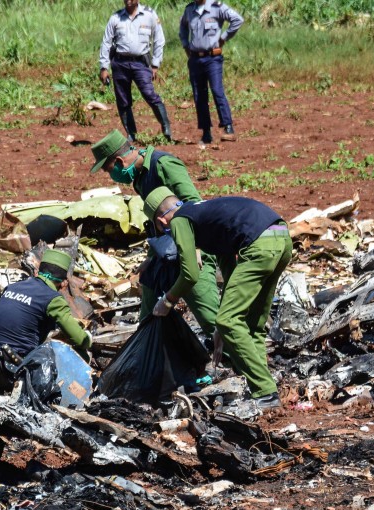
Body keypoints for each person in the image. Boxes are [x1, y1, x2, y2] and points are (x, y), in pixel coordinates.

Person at [143, 186, 292, 409]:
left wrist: (167, 301)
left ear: (161, 222)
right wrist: (221, 324)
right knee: (252, 323)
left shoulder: (179, 221)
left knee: (228, 321)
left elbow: (190, 274)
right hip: (281, 238)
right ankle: (262, 386)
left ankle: (266, 392)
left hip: (259, 246)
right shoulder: (205, 216)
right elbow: (230, 270)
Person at [90, 128, 218, 339]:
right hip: (168, 248)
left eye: (108, 169)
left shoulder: (163, 165)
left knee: (210, 318)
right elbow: (159, 222)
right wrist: (150, 257)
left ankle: (242, 362)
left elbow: (195, 205)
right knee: (149, 305)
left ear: (120, 161)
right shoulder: (140, 178)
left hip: (192, 247)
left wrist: (195, 246)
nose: (110, 175)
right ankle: (148, 355)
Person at [0, 248, 92, 386]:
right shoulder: (53, 299)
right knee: (81, 354)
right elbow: (80, 339)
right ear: (64, 283)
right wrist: (89, 339)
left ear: (38, 271)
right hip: (12, 367)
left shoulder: (13, 287)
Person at [98, 0, 172, 142]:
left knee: (150, 94)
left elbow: (159, 39)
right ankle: (131, 134)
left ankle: (165, 125)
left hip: (141, 63)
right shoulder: (116, 17)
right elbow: (106, 42)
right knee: (123, 100)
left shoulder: (149, 15)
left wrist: (155, 64)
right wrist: (103, 67)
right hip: (120, 63)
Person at [179, 0, 243, 145]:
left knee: (217, 90)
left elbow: (237, 20)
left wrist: (224, 37)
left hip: (212, 58)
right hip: (195, 59)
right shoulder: (189, 10)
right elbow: (183, 27)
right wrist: (185, 45)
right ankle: (206, 132)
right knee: (199, 95)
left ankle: (228, 127)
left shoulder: (216, 7)